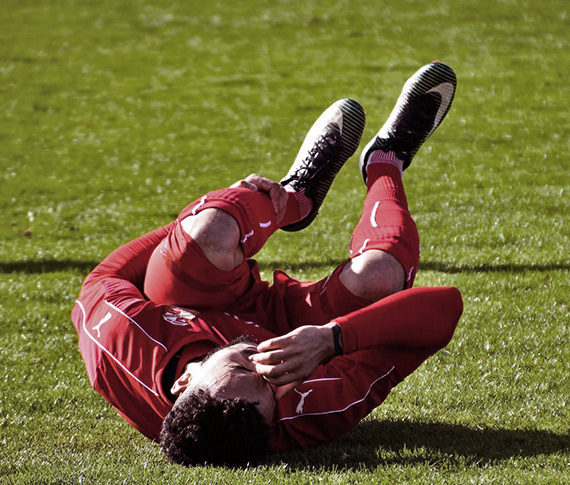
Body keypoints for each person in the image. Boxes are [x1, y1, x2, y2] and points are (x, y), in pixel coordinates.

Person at [71, 61, 463, 466]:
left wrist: (211, 215)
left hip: (186, 300)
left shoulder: (121, 345)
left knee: (209, 232)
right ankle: (387, 159)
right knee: (381, 276)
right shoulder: (309, 408)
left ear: (185, 381)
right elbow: (444, 306)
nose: (262, 358)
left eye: (244, 367)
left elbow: (101, 280)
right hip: (295, 326)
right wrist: (332, 339)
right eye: (271, 382)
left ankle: (294, 199)